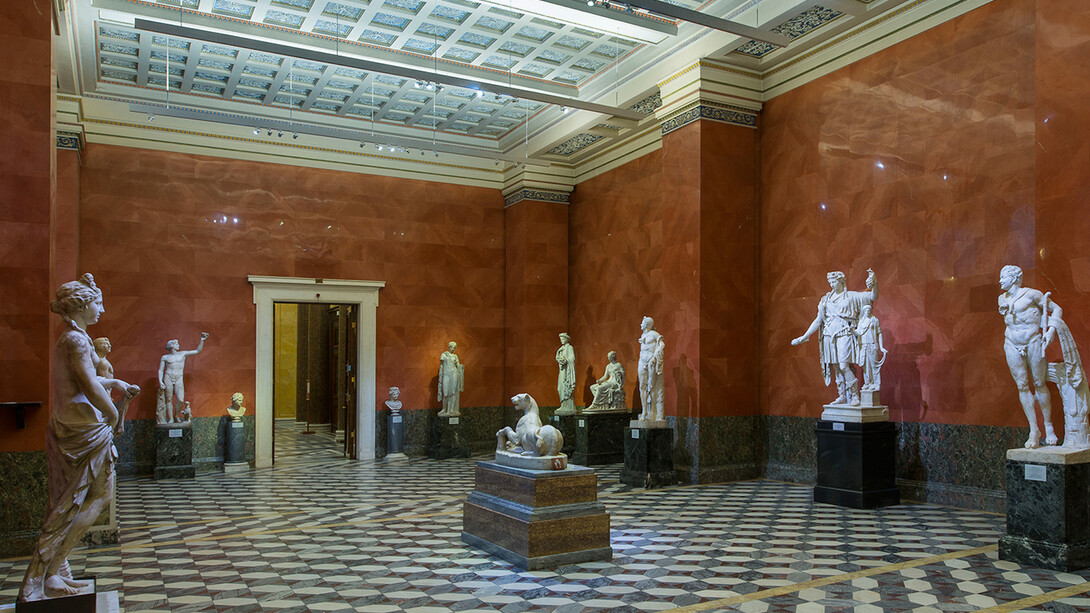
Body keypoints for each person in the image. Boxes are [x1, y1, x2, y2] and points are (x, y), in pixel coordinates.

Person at [20, 274, 140, 602]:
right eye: (98, 303)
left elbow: (88, 382)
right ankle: (40, 576)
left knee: (84, 498)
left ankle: (53, 572)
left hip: (80, 426)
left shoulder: (76, 339)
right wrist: (114, 413)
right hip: (81, 430)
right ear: (83, 306)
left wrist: (114, 385)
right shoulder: (75, 340)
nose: (102, 309)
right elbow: (87, 384)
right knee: (74, 502)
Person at [791, 269, 878, 406]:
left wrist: (874, 283)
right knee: (836, 367)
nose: (831, 284)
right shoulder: (825, 299)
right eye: (830, 282)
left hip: (845, 333)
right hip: (829, 336)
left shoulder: (852, 296)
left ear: (842, 281)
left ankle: (854, 396)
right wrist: (804, 336)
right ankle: (842, 395)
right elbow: (818, 320)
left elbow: (872, 297)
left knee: (844, 366)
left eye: (834, 282)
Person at [998, 264, 1060, 449]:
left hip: (1033, 340)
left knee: (1039, 383)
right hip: (1011, 343)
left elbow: (1057, 309)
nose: (1000, 281)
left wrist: (1051, 331)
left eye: (1004, 277)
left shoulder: (1032, 294)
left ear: (1015, 278)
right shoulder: (1002, 298)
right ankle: (1034, 430)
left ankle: (1048, 425)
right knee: (1022, 386)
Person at [157, 333, 208, 424]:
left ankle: (176, 415)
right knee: (168, 399)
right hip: (168, 377)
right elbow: (161, 370)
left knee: (180, 400)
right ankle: (171, 419)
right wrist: (160, 381)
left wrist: (202, 340)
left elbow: (197, 351)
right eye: (177, 344)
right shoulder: (165, 357)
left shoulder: (183, 354)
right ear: (172, 346)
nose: (179, 345)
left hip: (179, 378)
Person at [637, 317, 666, 421]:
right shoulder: (643, 335)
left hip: (651, 362)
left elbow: (662, 344)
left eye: (643, 322)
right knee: (642, 386)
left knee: (651, 386)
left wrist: (654, 357)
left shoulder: (654, 333)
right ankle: (644, 411)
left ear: (647, 324)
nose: (641, 324)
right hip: (642, 361)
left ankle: (653, 413)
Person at [855, 305, 887, 392]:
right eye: (866, 310)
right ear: (864, 311)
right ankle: (867, 383)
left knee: (874, 365)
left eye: (869, 310)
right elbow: (858, 332)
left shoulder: (874, 320)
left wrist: (881, 347)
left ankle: (876, 384)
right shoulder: (861, 322)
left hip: (872, 345)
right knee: (865, 366)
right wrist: (852, 331)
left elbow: (879, 333)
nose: (868, 311)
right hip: (863, 346)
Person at [437, 341, 463, 417]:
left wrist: (461, 367)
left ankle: (451, 409)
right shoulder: (444, 355)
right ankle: (444, 409)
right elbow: (441, 365)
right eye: (452, 347)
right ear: (449, 347)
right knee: (445, 392)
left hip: (454, 373)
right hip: (446, 374)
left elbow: (458, 366)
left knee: (453, 391)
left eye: (454, 348)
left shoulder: (455, 356)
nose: (453, 349)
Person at [555, 333, 576, 414]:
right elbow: (558, 357)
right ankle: (563, 405)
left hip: (567, 371)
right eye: (560, 339)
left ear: (566, 339)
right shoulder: (561, 349)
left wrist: (565, 360)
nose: (561, 340)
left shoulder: (570, 348)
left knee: (566, 387)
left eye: (562, 339)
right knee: (560, 388)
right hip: (562, 371)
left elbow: (572, 358)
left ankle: (568, 406)